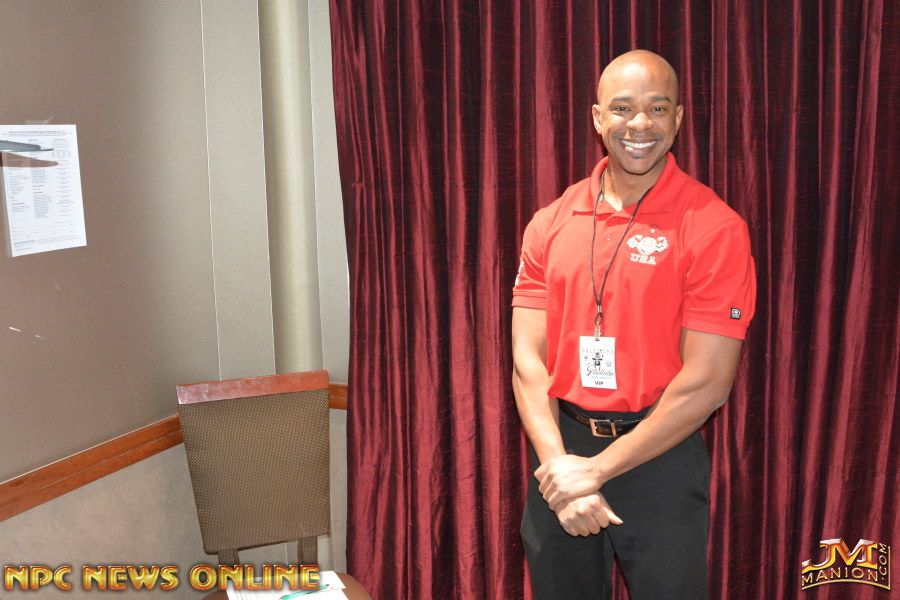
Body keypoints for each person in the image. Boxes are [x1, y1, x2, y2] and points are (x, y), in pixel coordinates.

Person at [511, 49, 756, 599]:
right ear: (598, 119)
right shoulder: (550, 221)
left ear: (678, 118)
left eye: (657, 108)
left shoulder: (714, 227)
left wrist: (596, 473)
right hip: (561, 447)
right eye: (622, 108)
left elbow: (707, 382)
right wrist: (562, 469)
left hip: (659, 453)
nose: (639, 124)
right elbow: (528, 361)